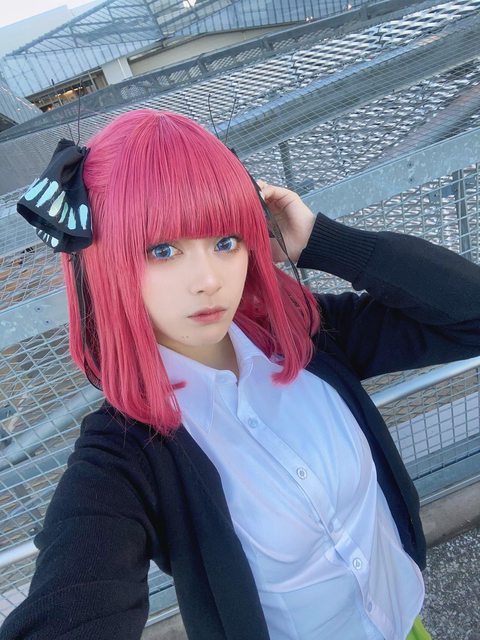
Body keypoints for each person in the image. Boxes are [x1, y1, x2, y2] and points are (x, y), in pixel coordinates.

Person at [1, 108, 480, 640]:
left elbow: (471, 317)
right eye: (163, 250)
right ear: (106, 263)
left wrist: (322, 241)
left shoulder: (309, 337)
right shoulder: (126, 455)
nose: (208, 279)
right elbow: (73, 598)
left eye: (226, 241)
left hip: (404, 621)